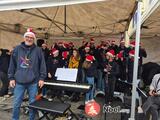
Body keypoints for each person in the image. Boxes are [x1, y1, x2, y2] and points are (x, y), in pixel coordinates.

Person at [8, 28, 47, 120]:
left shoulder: (38, 50)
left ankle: (31, 119)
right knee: (16, 103)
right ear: (24, 38)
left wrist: (42, 78)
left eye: (31, 38)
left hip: (33, 82)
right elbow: (12, 64)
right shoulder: (17, 49)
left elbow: (42, 64)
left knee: (32, 104)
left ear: (33, 39)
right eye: (27, 37)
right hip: (19, 82)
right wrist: (11, 78)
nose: (29, 39)